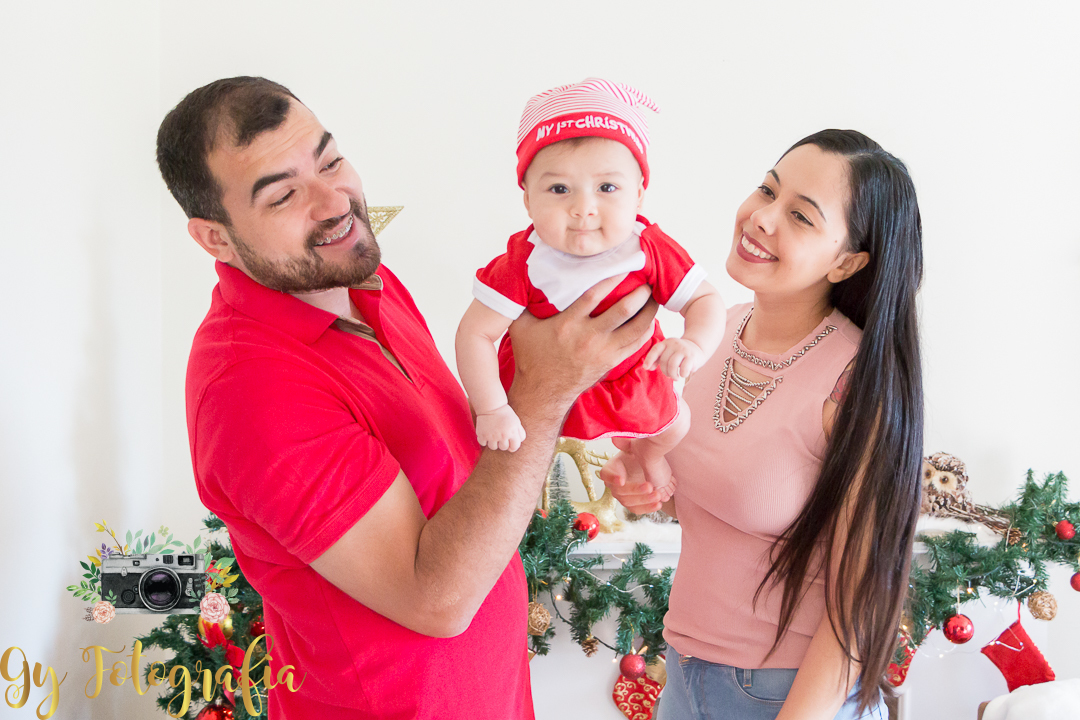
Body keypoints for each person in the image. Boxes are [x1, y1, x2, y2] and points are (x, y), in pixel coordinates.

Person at [157, 76, 658, 720]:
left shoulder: (366, 280)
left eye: (331, 160)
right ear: (216, 238)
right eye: (283, 195)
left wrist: (617, 416)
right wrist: (544, 392)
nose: (334, 200)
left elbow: (477, 454)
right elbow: (437, 601)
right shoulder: (249, 387)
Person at [602, 130, 924, 720]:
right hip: (686, 674)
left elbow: (860, 607)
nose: (763, 218)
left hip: (792, 695)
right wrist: (649, 486)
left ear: (847, 261)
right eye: (767, 190)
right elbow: (737, 498)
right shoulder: (716, 329)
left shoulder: (856, 384)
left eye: (801, 216)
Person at [456, 78, 726, 499]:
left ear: (638, 194)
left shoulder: (648, 248)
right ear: (527, 199)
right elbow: (475, 333)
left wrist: (694, 344)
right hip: (542, 386)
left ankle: (646, 455)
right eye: (559, 189)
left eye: (607, 188)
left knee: (678, 425)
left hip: (632, 378)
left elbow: (705, 299)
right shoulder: (523, 261)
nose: (583, 208)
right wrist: (492, 408)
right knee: (519, 455)